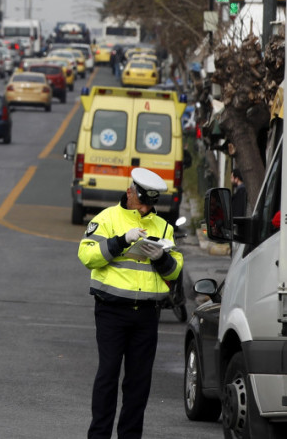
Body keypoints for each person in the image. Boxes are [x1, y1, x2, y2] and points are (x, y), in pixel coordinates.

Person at [78, 167, 183, 439]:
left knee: (139, 383)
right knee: (108, 375)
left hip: (147, 315)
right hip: (112, 311)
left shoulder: (164, 228)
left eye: (151, 203)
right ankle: (98, 435)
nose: (147, 208)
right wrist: (120, 241)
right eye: (143, 201)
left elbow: (175, 272)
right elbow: (87, 255)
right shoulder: (107, 219)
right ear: (130, 192)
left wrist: (161, 257)